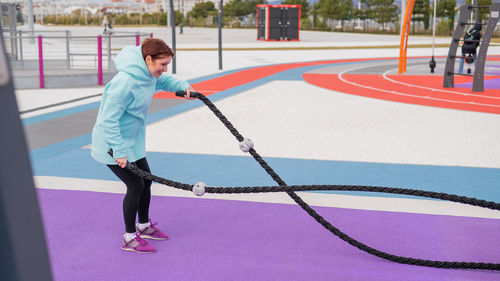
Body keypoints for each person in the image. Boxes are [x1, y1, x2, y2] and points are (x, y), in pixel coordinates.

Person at [91, 38, 194, 253]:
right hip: (112, 144)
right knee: (135, 186)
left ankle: (144, 225)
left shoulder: (148, 74)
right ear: (148, 59)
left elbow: (165, 81)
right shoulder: (125, 83)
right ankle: (129, 238)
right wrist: (119, 151)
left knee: (146, 182)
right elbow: (108, 120)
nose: (165, 69)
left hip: (132, 142)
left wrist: (184, 87)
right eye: (162, 64)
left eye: (167, 64)